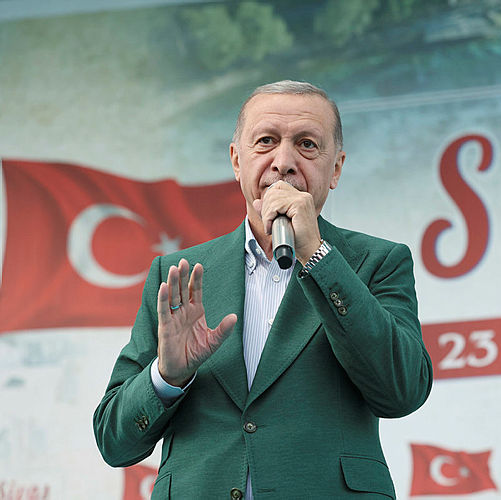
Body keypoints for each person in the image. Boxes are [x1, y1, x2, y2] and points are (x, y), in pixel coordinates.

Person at [93, 80, 433, 499]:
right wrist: (167, 376)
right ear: (237, 160)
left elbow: (403, 391)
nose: (284, 162)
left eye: (307, 144)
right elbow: (114, 442)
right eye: (266, 141)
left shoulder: (375, 262)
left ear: (336, 169)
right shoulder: (178, 274)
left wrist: (318, 257)